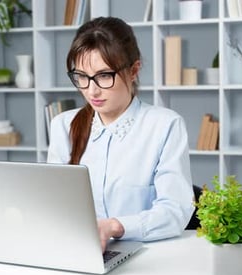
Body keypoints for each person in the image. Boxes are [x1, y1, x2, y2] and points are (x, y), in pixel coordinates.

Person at [47, 17, 195, 251]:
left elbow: (175, 211)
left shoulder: (165, 125)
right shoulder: (63, 125)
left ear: (134, 70)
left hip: (149, 258)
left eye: (104, 75)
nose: (91, 90)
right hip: (80, 252)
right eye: (82, 77)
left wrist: (115, 226)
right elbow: (53, 204)